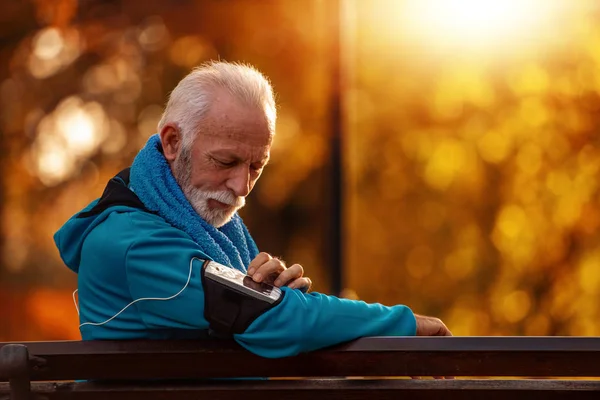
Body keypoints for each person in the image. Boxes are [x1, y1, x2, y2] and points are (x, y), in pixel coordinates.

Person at [54, 61, 451, 359]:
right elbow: (270, 320)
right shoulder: (133, 243)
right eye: (226, 162)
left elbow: (262, 314)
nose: (242, 187)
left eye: (256, 167)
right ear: (173, 142)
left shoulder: (201, 229)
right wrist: (406, 324)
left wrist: (274, 292)